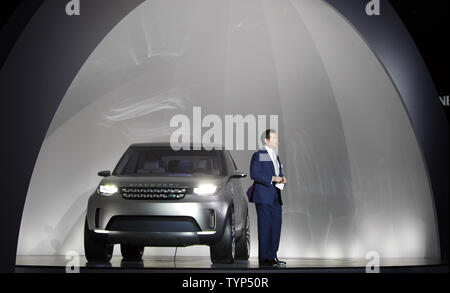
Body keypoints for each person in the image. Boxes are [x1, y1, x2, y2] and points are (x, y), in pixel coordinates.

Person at [250, 129, 287, 267]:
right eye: (274, 138)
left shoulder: (276, 156)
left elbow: (278, 172)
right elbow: (254, 174)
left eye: (276, 138)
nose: (277, 140)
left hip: (276, 196)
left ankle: (273, 256)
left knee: (276, 226)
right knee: (265, 227)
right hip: (264, 196)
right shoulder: (259, 155)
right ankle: (265, 258)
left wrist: (282, 178)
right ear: (266, 140)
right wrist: (273, 178)